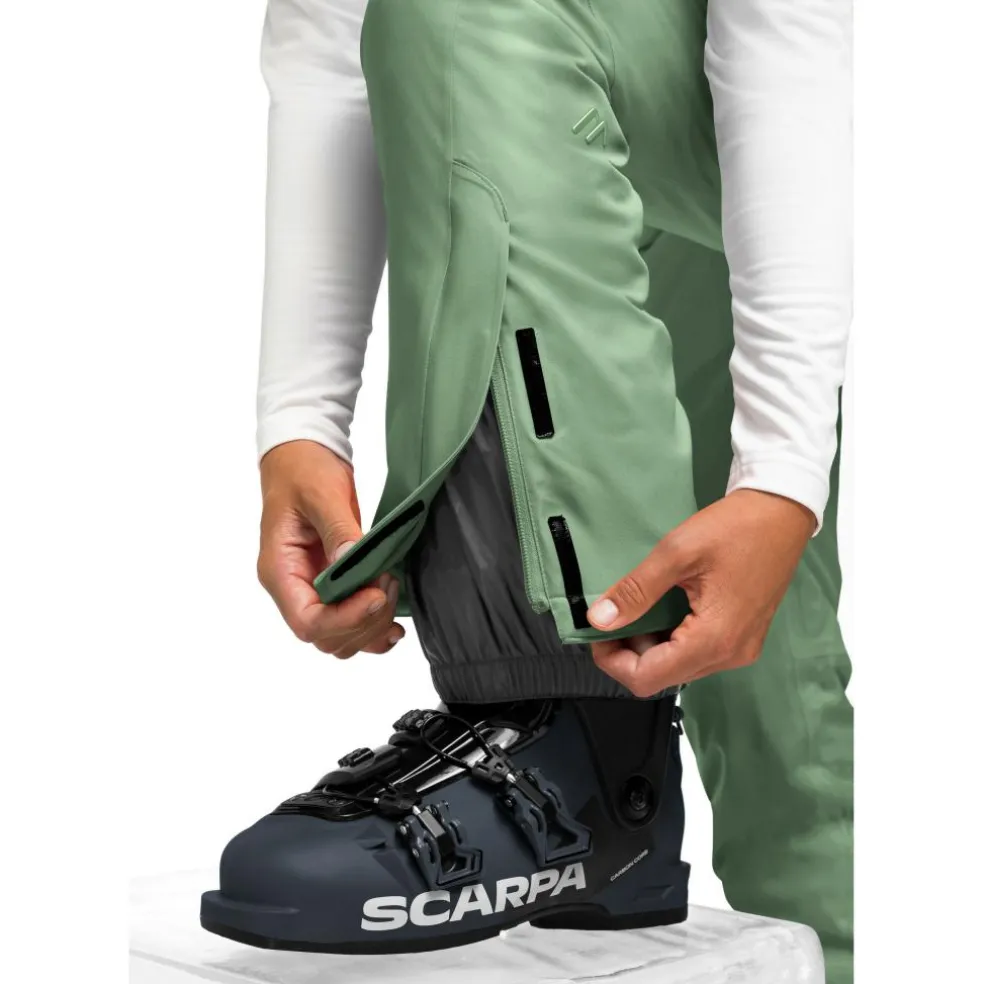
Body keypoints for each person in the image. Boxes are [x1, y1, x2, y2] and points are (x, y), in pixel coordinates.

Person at [245, 0, 852, 979]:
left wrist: (784, 480)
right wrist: (300, 425)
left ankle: (574, 735)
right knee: (772, 697)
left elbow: (788, 33)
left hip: (812, 88)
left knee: (468, 11)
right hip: (603, 124)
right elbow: (332, 30)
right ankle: (623, 805)